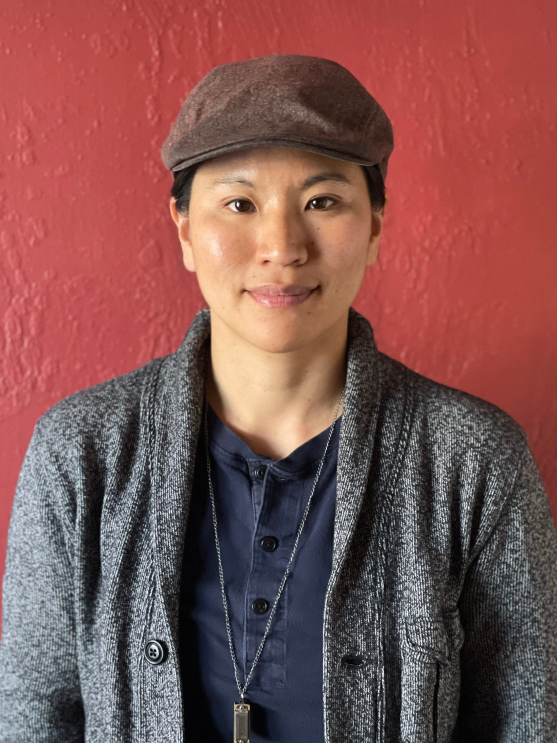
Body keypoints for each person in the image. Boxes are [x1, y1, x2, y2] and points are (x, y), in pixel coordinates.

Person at [0, 53, 556, 743]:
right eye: (239, 203)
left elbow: (526, 721)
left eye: (322, 202)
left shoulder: (472, 459)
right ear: (183, 230)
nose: (281, 245)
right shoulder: (81, 452)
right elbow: (32, 713)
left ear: (375, 225)